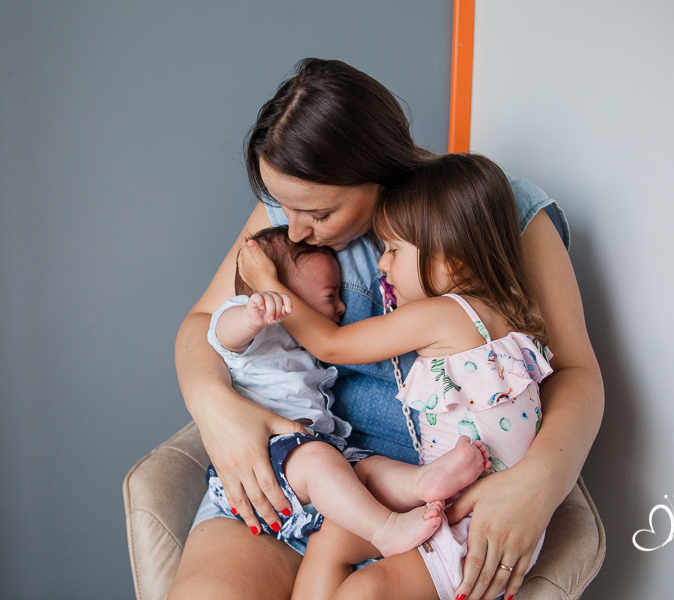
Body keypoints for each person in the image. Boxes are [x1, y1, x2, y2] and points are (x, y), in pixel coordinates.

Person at [170, 58, 602, 600]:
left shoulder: (497, 211)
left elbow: (575, 371)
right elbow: (205, 323)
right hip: (300, 475)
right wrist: (214, 406)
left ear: (378, 171)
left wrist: (539, 481)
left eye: (319, 215)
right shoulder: (296, 204)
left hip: (428, 495)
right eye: (284, 209)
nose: (295, 231)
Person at [238, 154, 553, 600]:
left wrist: (271, 284)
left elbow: (332, 345)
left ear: (453, 262)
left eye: (393, 249)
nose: (382, 265)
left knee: (367, 589)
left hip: (475, 530)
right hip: (475, 503)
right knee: (335, 537)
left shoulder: (445, 315)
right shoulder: (511, 311)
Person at [206, 226, 490, 558]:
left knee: (365, 468)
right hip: (261, 465)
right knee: (319, 461)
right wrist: (251, 314)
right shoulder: (254, 332)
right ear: (284, 293)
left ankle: (423, 482)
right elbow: (221, 335)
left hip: (313, 456)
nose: (341, 307)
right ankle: (385, 530)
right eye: (331, 295)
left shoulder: (299, 348)